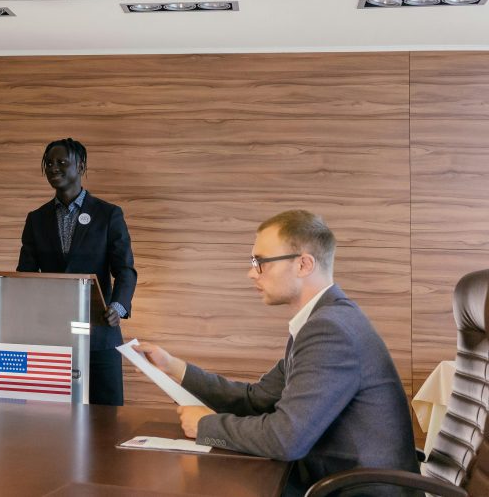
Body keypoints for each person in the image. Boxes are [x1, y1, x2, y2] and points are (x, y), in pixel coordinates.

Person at [137, 210, 418, 497]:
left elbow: (286, 438)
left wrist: (205, 424)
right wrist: (174, 367)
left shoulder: (330, 331)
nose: (251, 272)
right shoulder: (321, 321)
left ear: (304, 264)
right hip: (332, 480)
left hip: (355, 490)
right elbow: (256, 399)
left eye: (261, 262)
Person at [17, 138, 137, 405]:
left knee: (107, 420)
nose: (53, 168)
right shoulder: (36, 219)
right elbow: (25, 275)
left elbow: (125, 270)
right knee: (54, 421)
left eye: (61, 162)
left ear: (80, 166)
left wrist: (117, 306)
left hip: (100, 336)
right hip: (52, 338)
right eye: (48, 163)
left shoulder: (109, 214)